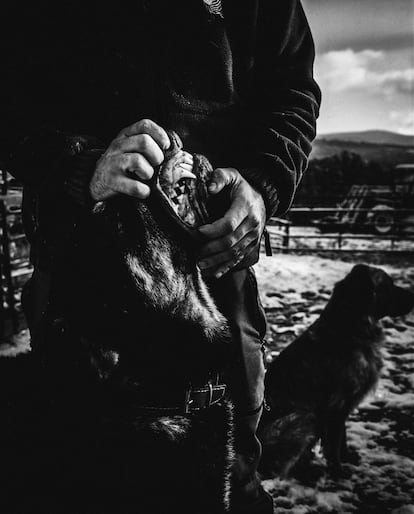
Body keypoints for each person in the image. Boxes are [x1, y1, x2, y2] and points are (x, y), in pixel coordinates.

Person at [0, 1, 320, 512]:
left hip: (216, 268)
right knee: (80, 472)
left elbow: (292, 90)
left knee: (226, 476)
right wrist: (73, 164)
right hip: (82, 269)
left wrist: (262, 184)